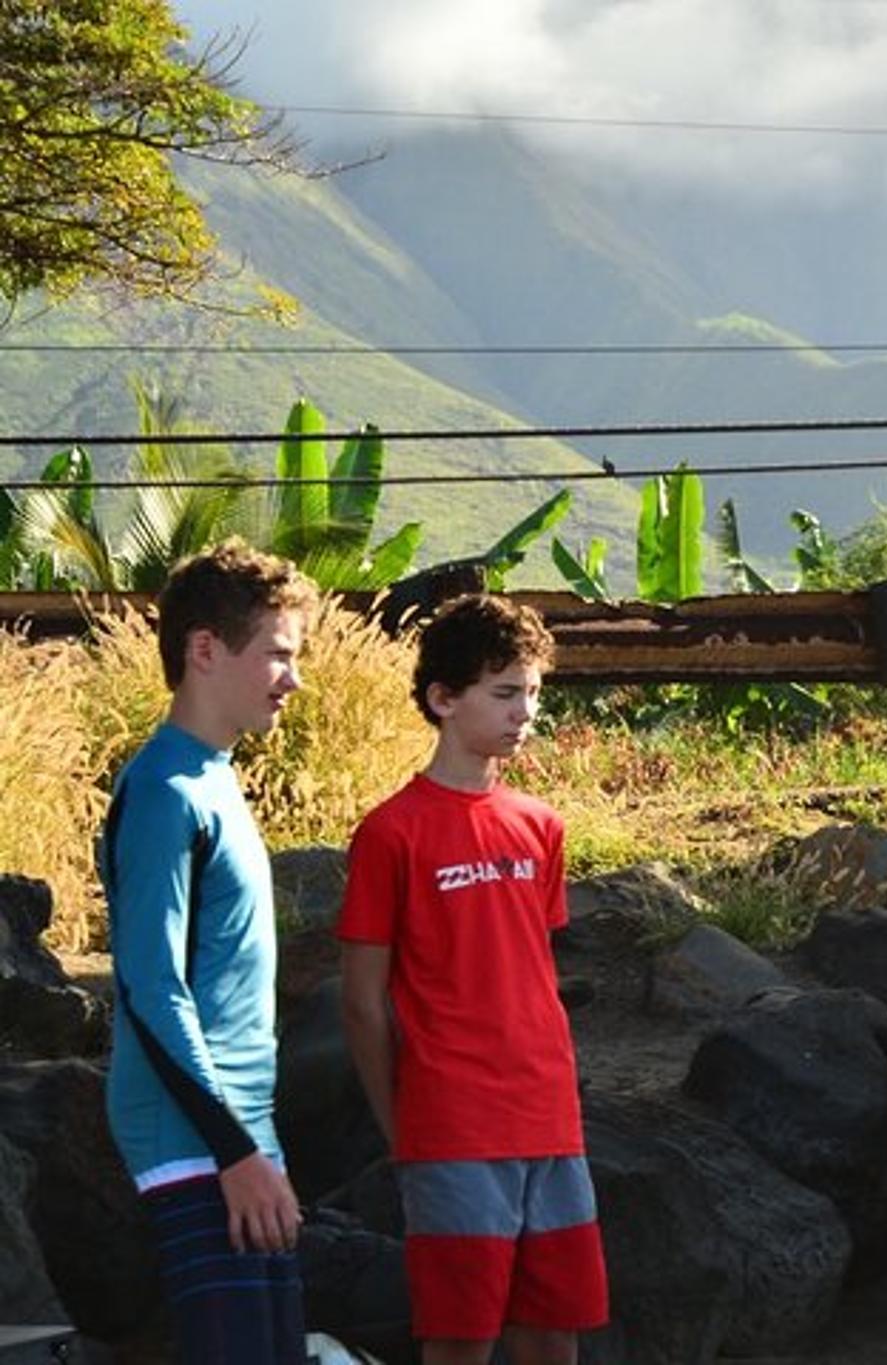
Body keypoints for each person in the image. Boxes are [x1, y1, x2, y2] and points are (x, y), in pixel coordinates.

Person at [338, 594, 607, 1365]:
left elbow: (529, 968)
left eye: (534, 692)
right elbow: (361, 1002)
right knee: (461, 1336)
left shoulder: (541, 824)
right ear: (443, 698)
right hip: (451, 1122)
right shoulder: (389, 832)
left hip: (549, 1116)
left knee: (553, 1329)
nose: (525, 711)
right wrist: (400, 1127)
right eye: (505, 692)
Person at [101, 539, 317, 1364]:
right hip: (194, 1139)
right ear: (204, 649)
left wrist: (253, 1146)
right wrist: (235, 1151)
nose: (293, 679)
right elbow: (150, 986)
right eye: (277, 654)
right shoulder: (164, 790)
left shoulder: (214, 776)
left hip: (241, 1134)